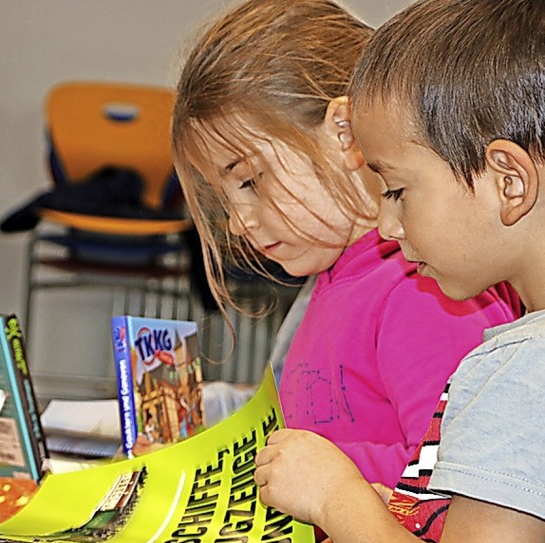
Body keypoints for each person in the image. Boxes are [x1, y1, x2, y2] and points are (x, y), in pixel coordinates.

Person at [254, 0, 545, 543]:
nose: (386, 226)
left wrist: (340, 497)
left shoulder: (522, 369)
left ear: (509, 181)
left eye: (396, 190)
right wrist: (385, 529)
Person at [172, 0, 520, 493]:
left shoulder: (424, 288)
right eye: (225, 198)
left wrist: (318, 478)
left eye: (250, 181)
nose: (235, 223)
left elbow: (454, 474)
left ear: (344, 131)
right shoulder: (335, 278)